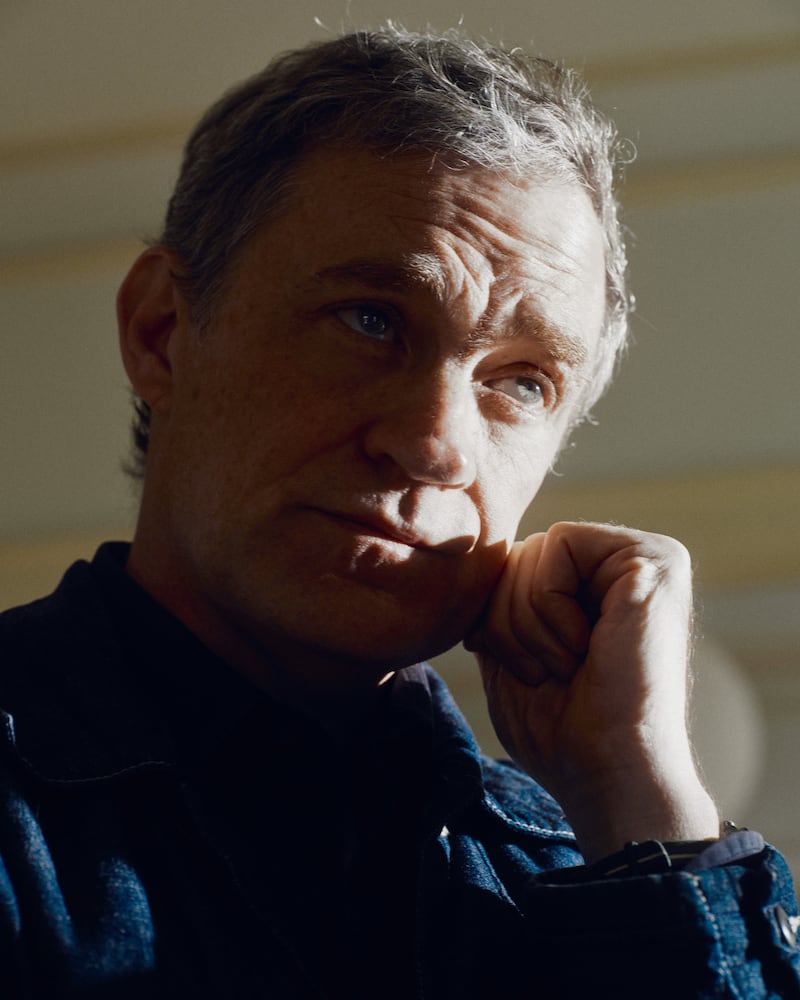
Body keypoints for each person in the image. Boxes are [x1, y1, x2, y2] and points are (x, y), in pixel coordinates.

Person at [0, 24, 797, 999]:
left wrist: (646, 817)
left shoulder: (582, 873)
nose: (434, 443)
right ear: (162, 332)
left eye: (519, 382)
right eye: (370, 321)